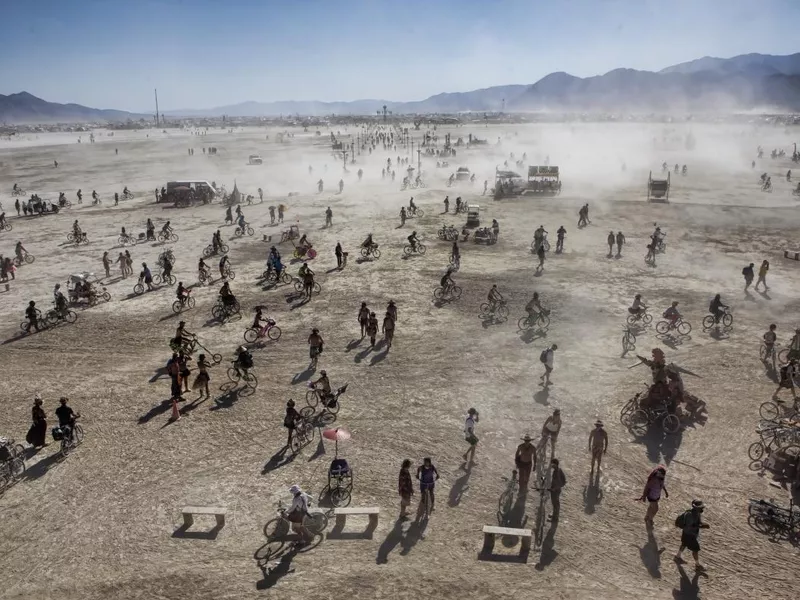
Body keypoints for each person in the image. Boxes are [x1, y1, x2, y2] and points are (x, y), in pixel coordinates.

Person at [675, 500, 709, 570]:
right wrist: (702, 526)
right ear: (696, 508)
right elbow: (690, 526)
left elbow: (698, 522)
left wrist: (703, 524)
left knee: (684, 544)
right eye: (701, 508)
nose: (702, 509)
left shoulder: (697, 513)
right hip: (689, 535)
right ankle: (697, 565)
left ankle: (677, 557)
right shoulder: (690, 515)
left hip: (687, 533)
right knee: (695, 550)